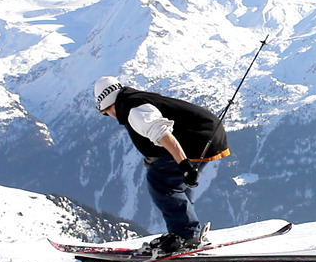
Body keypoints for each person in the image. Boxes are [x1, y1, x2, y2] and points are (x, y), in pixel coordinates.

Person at [93, 76, 230, 252]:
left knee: (160, 181)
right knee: (175, 183)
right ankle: (186, 232)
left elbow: (162, 133)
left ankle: (186, 236)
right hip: (208, 133)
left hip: (199, 139)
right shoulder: (133, 99)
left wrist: (184, 164)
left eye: (106, 112)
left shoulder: (132, 109)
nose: (109, 116)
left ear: (109, 104)